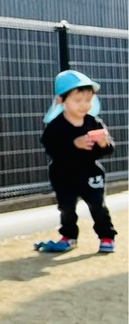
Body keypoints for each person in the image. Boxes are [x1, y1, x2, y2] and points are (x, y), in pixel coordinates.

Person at [35, 69, 115, 254]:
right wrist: (74, 144)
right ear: (61, 100)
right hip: (63, 174)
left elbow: (108, 149)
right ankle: (69, 237)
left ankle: (107, 237)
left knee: (98, 205)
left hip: (91, 173)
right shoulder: (55, 127)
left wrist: (104, 144)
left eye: (88, 100)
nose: (84, 105)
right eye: (78, 100)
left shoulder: (94, 122)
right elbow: (52, 149)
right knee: (66, 207)